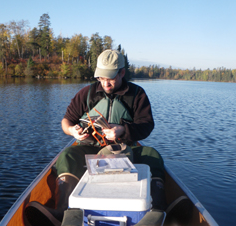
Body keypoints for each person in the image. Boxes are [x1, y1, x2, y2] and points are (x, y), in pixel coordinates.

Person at [25, 49, 167, 225]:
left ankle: (157, 213)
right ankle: (62, 212)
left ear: (122, 73)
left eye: (110, 78)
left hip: (126, 149)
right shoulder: (87, 93)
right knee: (67, 156)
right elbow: (66, 121)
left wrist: (123, 130)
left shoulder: (137, 94)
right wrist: (72, 131)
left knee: (152, 156)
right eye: (101, 78)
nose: (105, 83)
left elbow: (146, 125)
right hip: (92, 149)